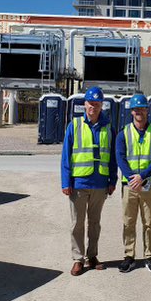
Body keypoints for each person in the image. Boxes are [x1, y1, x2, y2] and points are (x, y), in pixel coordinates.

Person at [61, 86, 117, 276]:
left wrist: (112, 180)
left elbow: (112, 157)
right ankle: (78, 259)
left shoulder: (109, 127)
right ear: (85, 104)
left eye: (97, 104)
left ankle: (92, 256)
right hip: (79, 184)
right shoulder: (74, 126)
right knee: (77, 223)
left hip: (100, 185)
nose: (93, 107)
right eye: (90, 103)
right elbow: (66, 157)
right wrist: (65, 182)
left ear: (102, 106)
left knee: (95, 223)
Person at [115, 93, 151, 273]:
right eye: (136, 109)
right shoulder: (124, 133)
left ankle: (149, 256)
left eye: (142, 109)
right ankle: (129, 256)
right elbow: (120, 157)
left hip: (148, 185)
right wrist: (131, 177)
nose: (139, 112)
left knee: (149, 222)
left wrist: (142, 176)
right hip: (129, 186)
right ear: (132, 112)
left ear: (147, 111)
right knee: (128, 222)